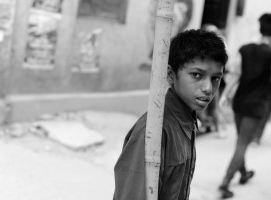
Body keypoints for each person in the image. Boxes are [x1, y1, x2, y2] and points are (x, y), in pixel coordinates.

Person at [113, 29, 228, 200]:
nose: (208, 88)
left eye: (215, 78)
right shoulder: (152, 131)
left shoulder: (187, 120)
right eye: (197, 75)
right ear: (170, 75)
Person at [218, 13, 271, 199]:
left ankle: (244, 173)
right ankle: (225, 182)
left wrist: (225, 95)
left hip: (239, 102)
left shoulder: (245, 49)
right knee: (242, 143)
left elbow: (235, 75)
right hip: (256, 106)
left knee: (241, 141)